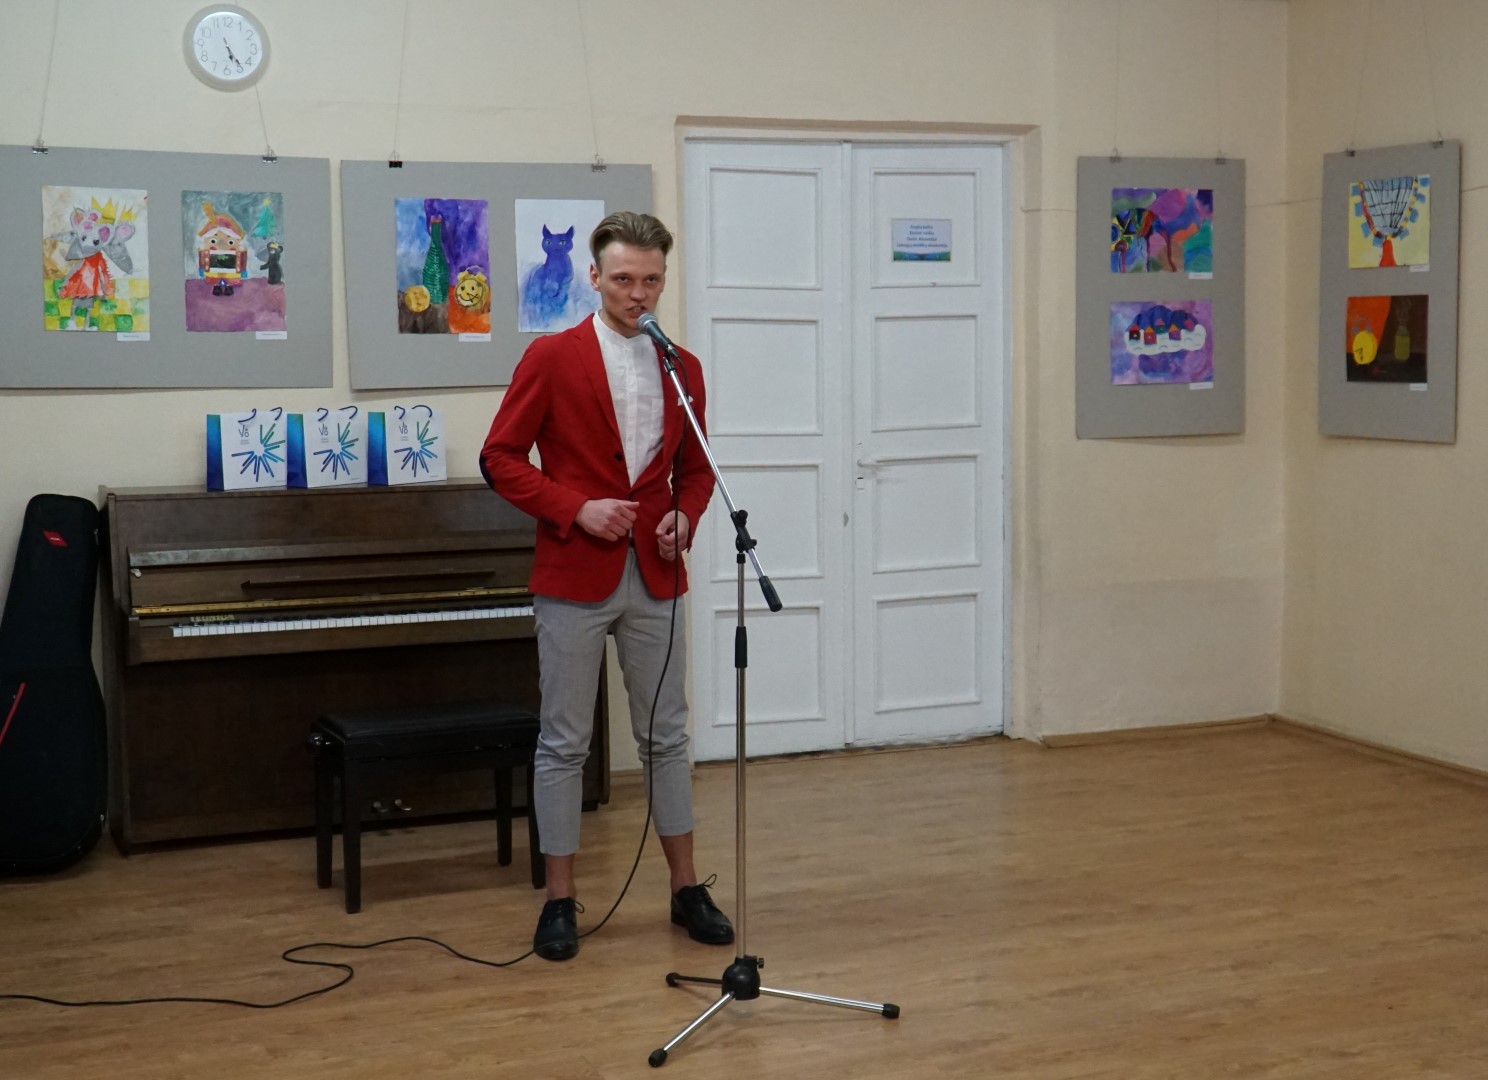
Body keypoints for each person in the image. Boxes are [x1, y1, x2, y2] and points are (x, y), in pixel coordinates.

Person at [479, 211, 733, 962]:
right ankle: (559, 900)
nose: (638, 293)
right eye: (623, 278)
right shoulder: (552, 357)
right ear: (593, 277)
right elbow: (500, 457)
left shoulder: (683, 367)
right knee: (565, 741)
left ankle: (685, 888)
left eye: (651, 279)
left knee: (667, 736)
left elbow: (696, 469)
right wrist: (575, 507)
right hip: (573, 571)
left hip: (656, 572)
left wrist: (686, 517)